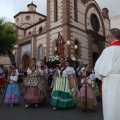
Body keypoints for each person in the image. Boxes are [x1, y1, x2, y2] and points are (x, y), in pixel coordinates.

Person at [94, 28, 120, 120]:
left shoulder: (109, 50)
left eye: (108, 37)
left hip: (111, 82)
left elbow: (100, 69)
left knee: (111, 108)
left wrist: (100, 77)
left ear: (111, 37)